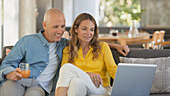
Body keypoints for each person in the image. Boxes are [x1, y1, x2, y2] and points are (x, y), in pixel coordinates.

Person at [0, 8, 129, 96]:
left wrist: (115, 46)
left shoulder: (66, 44)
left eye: (62, 26)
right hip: (21, 80)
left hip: (99, 88)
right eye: (56, 27)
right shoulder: (31, 42)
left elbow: (90, 41)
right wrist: (9, 73)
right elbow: (6, 64)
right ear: (44, 25)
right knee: (75, 80)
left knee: (67, 69)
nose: (60, 31)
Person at [55, 13, 124, 96]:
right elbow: (65, 76)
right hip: (81, 87)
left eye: (92, 30)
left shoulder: (103, 47)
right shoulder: (68, 50)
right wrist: (87, 74)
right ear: (76, 29)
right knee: (76, 82)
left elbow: (113, 70)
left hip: (101, 88)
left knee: (67, 67)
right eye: (84, 29)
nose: (89, 33)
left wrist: (127, 81)